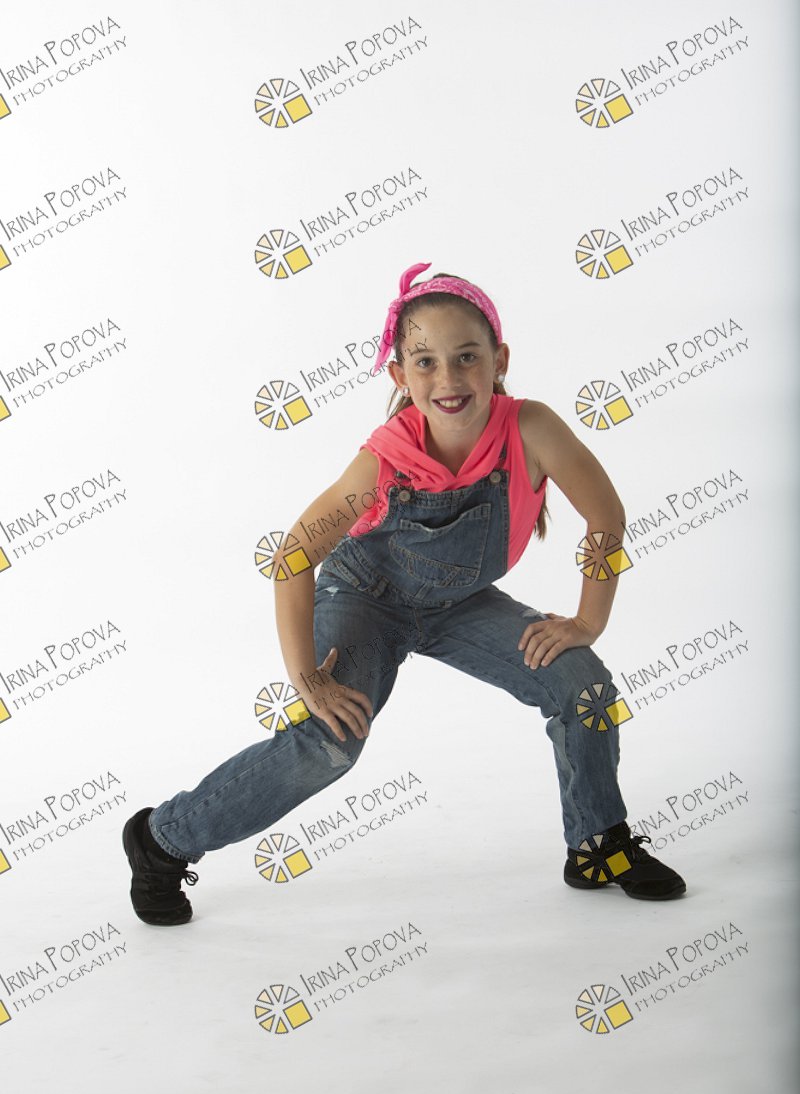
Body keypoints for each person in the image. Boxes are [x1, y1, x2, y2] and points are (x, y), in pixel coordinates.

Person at [122, 260, 687, 925]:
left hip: (460, 603)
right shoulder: (384, 461)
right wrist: (308, 678)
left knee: (581, 684)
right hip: (367, 598)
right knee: (332, 740)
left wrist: (589, 621)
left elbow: (606, 515)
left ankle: (597, 845)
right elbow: (293, 557)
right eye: (425, 362)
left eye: (466, 356)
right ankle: (163, 838)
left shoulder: (531, 430)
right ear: (399, 375)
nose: (449, 378)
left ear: (500, 360)